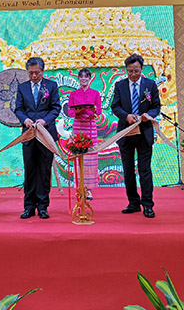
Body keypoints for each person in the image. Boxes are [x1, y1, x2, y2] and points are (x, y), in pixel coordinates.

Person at [111, 54, 161, 218]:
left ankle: (148, 204)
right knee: (128, 170)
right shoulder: (120, 85)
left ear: (142, 69)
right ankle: (133, 202)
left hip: (144, 132)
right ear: (126, 70)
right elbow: (115, 106)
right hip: (126, 132)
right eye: (130, 71)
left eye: (137, 71)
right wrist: (126, 116)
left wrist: (148, 115)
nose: (133, 74)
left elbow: (156, 107)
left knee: (144, 170)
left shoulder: (150, 84)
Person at [14, 57, 61, 219]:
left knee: (44, 170)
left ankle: (42, 206)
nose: (34, 76)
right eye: (31, 73)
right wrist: (25, 120)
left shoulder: (52, 86)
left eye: (37, 72)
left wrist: (44, 121)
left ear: (43, 71)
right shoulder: (22, 88)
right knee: (30, 169)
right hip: (28, 134)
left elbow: (56, 108)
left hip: (45, 134)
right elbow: (18, 108)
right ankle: (28, 206)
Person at [67, 68, 102, 199]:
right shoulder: (73, 94)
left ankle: (88, 189)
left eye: (86, 77)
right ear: (78, 78)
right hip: (78, 126)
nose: (83, 79)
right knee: (78, 154)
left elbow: (98, 111)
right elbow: (70, 112)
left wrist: (91, 111)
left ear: (90, 78)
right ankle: (80, 187)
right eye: (81, 77)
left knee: (90, 156)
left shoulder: (95, 93)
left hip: (90, 126)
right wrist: (79, 111)